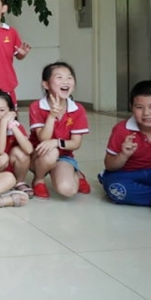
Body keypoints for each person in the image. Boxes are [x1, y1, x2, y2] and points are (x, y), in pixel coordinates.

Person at [99, 80, 151, 220]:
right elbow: (110, 165)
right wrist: (124, 154)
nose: (146, 113)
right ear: (132, 107)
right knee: (116, 189)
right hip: (125, 175)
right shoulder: (122, 129)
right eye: (139, 107)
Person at [29, 61, 91, 199]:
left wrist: (57, 142)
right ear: (46, 84)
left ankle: (75, 173)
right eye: (59, 77)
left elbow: (75, 143)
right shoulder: (36, 106)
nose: (66, 81)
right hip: (39, 154)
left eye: (69, 77)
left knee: (67, 190)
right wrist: (51, 116)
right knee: (51, 153)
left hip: (63, 155)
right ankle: (38, 179)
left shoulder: (78, 109)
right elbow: (43, 139)